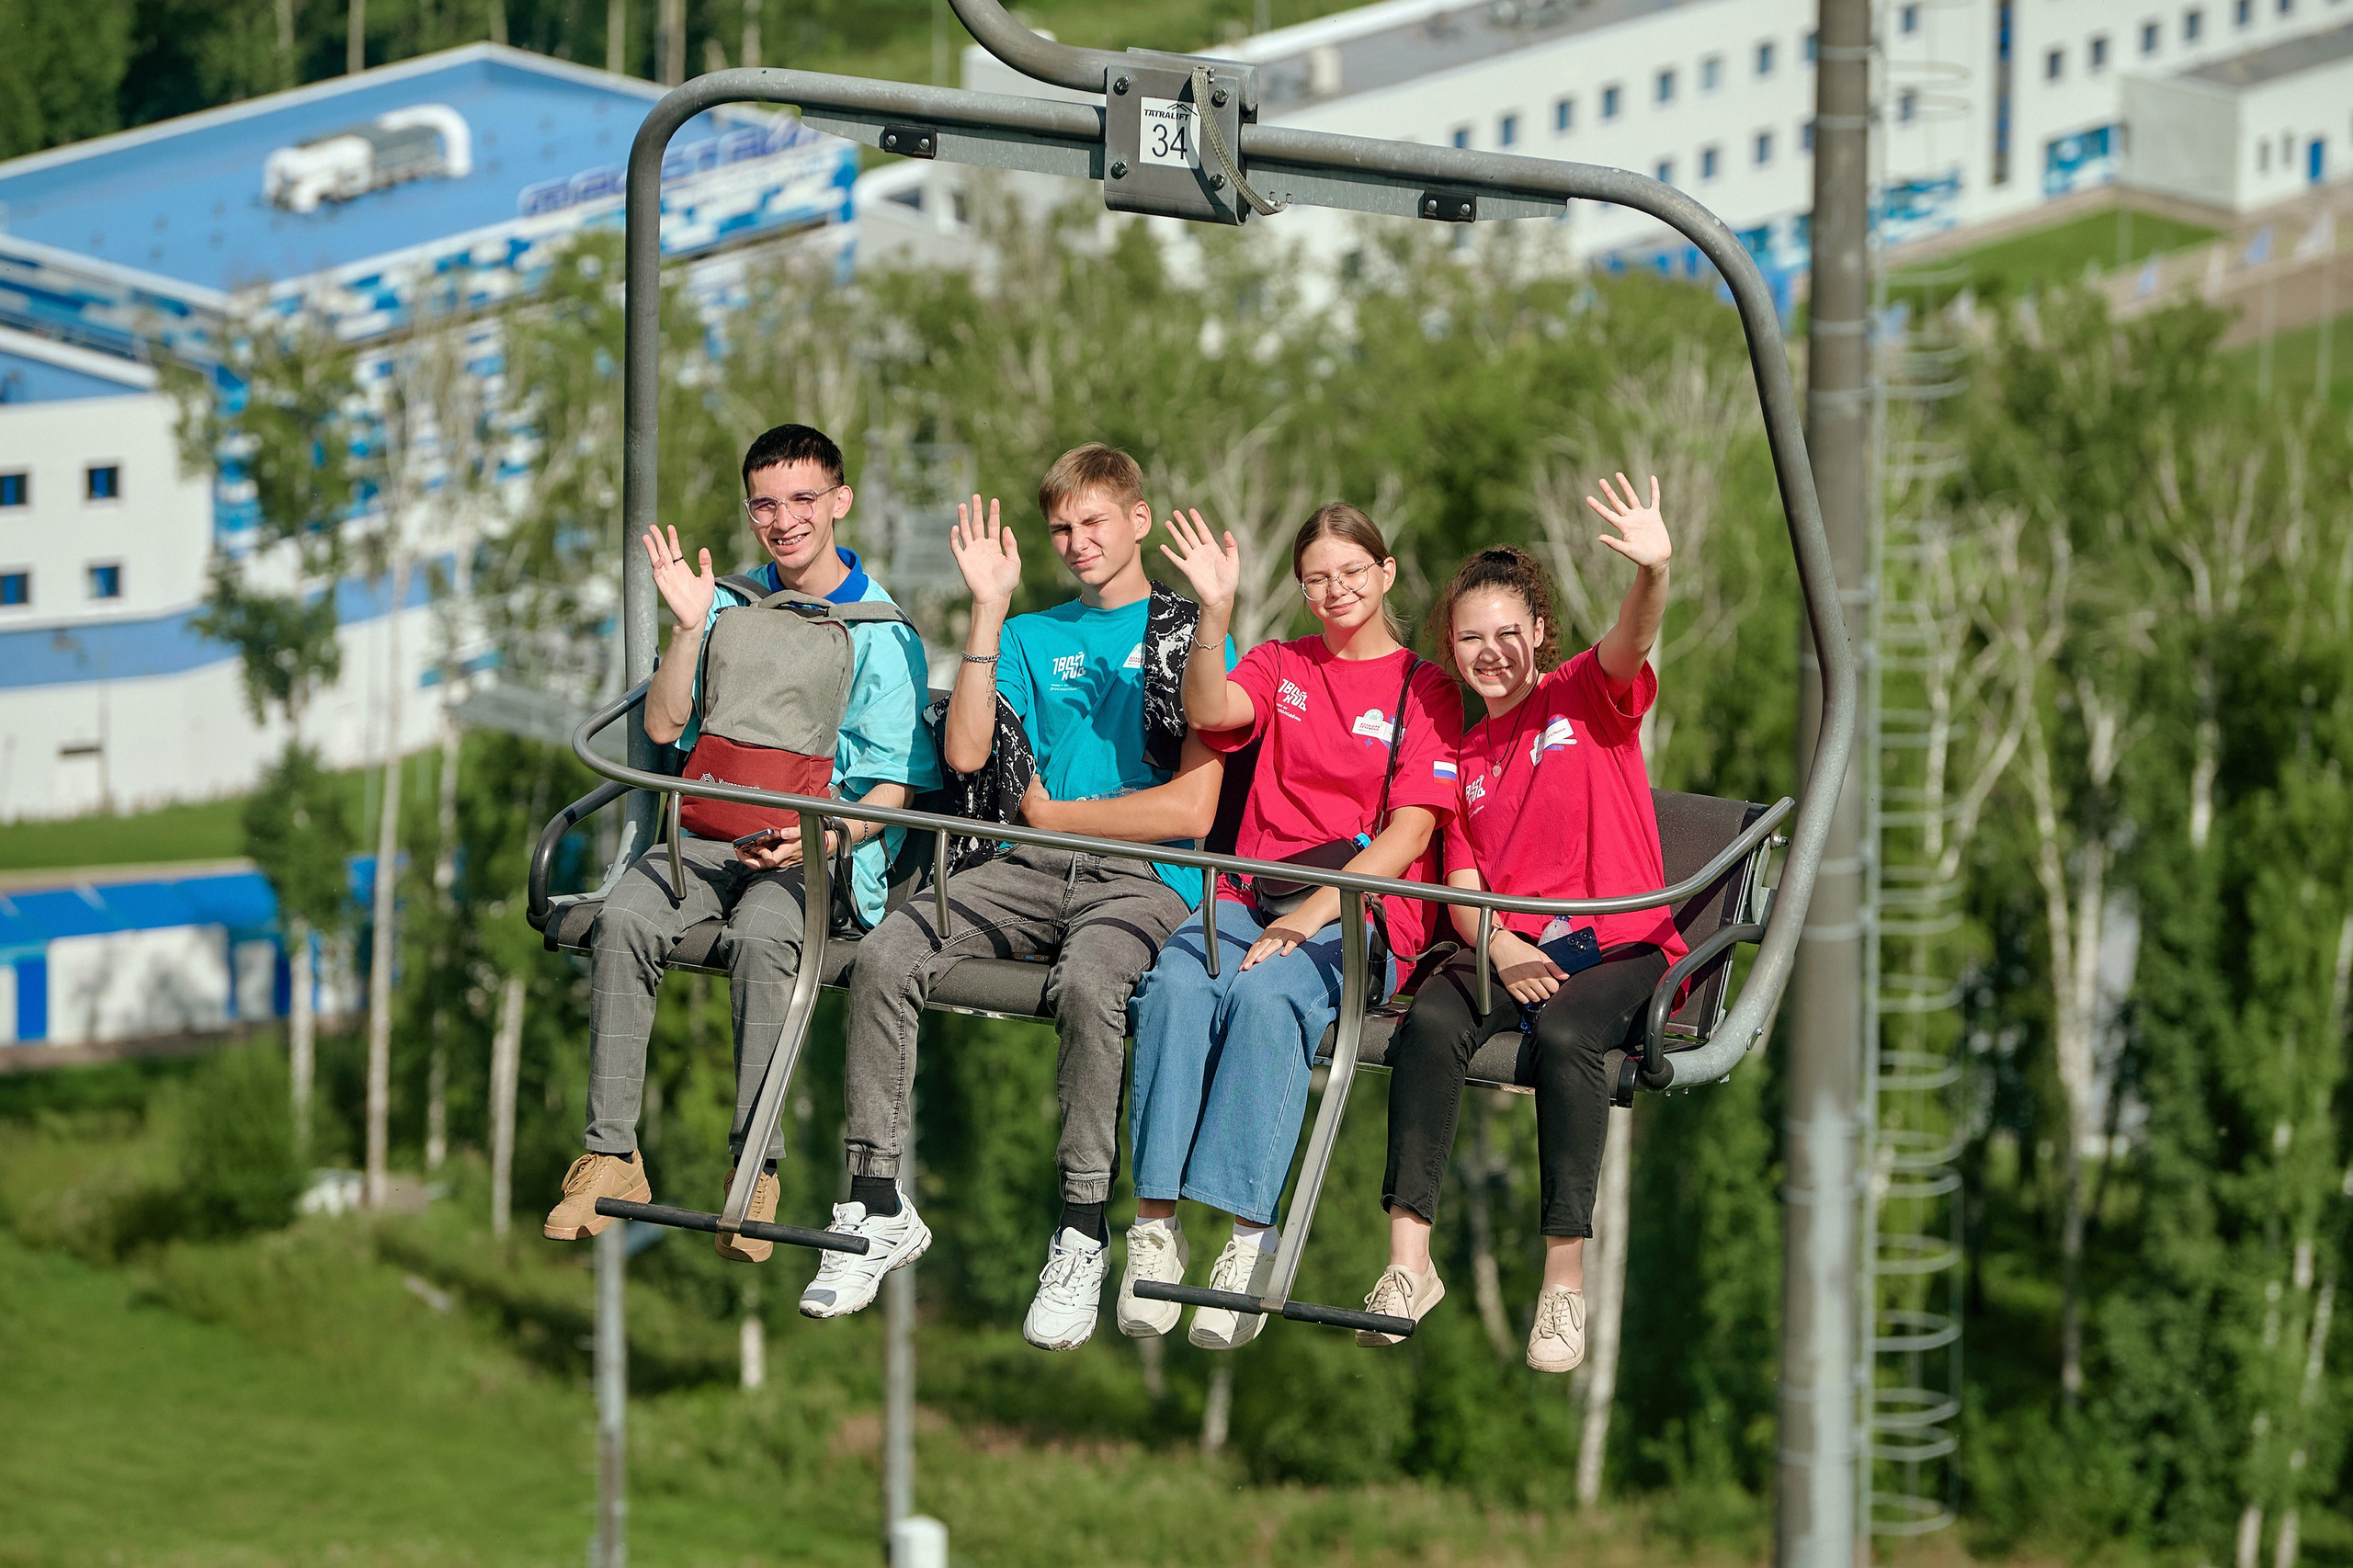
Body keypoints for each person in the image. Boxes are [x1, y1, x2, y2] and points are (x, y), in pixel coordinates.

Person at [801, 443, 1230, 1351]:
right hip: (1025, 868)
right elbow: (963, 755)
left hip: (1146, 880)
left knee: (1090, 983)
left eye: (1094, 523)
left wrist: (1064, 812)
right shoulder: (1033, 635)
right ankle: (874, 1195)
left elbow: (1194, 804)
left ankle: (1080, 1226)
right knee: (886, 953)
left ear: (1137, 521)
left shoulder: (1186, 635)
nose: (1077, 542)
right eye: (1062, 529)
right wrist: (989, 612)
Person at [543, 424, 939, 1262]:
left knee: (764, 939)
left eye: (803, 500)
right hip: (705, 837)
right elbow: (660, 729)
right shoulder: (721, 604)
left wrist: (817, 840)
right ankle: (611, 1154)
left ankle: (754, 1166)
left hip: (817, 850)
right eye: (765, 504)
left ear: (840, 501)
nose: (785, 520)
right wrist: (685, 630)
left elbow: (892, 790)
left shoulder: (880, 632)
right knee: (625, 919)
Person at [1120, 502, 1461, 1351]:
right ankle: (1156, 1225)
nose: (1336, 590)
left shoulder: (1426, 690)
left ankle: (1246, 1236)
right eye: (1317, 578)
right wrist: (1217, 615)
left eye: (1352, 572)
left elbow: (1411, 831)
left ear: (1385, 575)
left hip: (1358, 912)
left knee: (1271, 1001)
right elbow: (1212, 711)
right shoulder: (1281, 665)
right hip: (1250, 892)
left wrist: (1314, 916)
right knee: (1174, 987)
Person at [1358, 477, 1679, 1373]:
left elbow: (1631, 636)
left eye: (1509, 632)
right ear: (1450, 648)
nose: (1492, 652)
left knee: (1573, 1032)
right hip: (1516, 949)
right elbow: (1462, 886)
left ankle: (1563, 1281)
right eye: (1471, 637)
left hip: (1616, 946)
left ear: (1540, 629)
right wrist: (1494, 939)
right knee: (1429, 1018)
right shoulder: (1463, 758)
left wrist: (1652, 568)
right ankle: (1408, 1259)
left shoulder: (1583, 696)